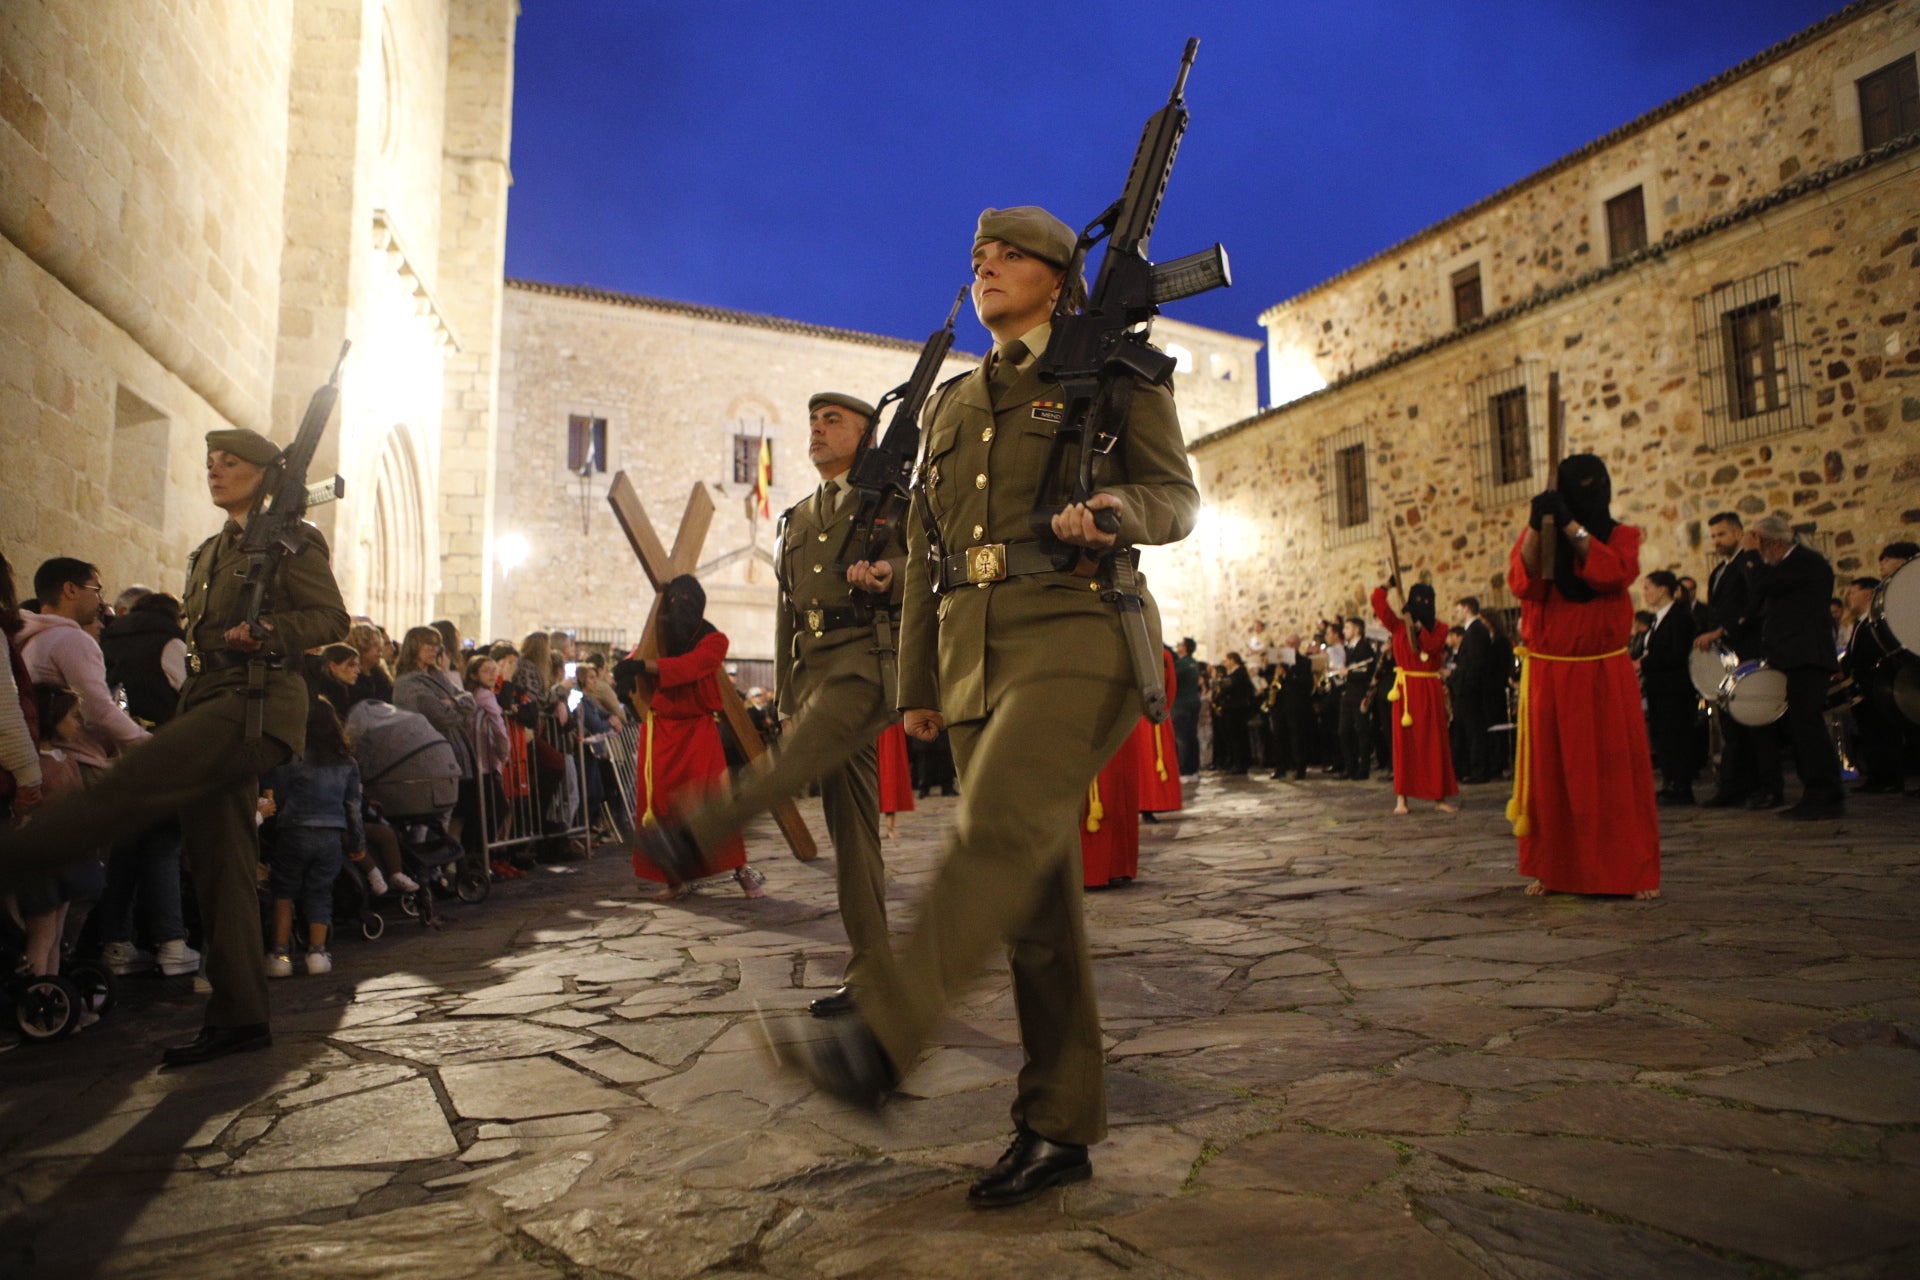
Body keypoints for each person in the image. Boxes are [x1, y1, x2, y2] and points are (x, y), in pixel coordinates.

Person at [754, 205, 1198, 1207]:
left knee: (993, 826)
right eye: (977, 257)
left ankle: (881, 1042)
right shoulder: (955, 406)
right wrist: (915, 687)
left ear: (1057, 275)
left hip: (1080, 629)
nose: (985, 266)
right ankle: (1057, 1123)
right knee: (1032, 903)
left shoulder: (1116, 372)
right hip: (972, 659)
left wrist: (1117, 508)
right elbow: (927, 558)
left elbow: (1175, 496)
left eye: (1008, 255)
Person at [0, 427, 350, 1063]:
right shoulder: (207, 554)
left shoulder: (295, 539)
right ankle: (239, 1015)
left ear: (266, 472)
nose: (215, 471)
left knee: (135, 783)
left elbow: (331, 620)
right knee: (221, 867)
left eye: (232, 462)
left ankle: (12, 861)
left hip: (257, 702)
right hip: (209, 697)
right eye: (210, 462)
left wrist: (268, 630)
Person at [635, 390, 908, 989]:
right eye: (812, 421)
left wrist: (893, 575)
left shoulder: (891, 505)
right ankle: (873, 973)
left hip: (866, 669)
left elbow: (929, 569)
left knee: (791, 765)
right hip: (816, 677)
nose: (816, 429)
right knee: (852, 832)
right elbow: (789, 616)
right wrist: (787, 698)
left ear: (865, 436)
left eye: (832, 421)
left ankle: (698, 832)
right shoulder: (801, 517)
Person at [1506, 454, 1660, 899]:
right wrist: (1539, 523)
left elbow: (1613, 572)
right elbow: (1523, 580)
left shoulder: (1622, 536)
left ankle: (1630, 870)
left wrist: (1573, 525)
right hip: (1550, 675)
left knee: (1613, 772)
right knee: (1552, 777)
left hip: (1602, 674)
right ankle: (1555, 869)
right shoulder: (1543, 536)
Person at [625, 574, 759, 900]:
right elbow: (636, 661)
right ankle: (674, 879)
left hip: (698, 732)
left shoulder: (715, 640)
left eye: (686, 600)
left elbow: (691, 665)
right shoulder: (660, 637)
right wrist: (631, 665)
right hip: (663, 731)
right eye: (674, 600)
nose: (679, 606)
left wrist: (647, 665)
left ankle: (741, 870)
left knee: (712, 802)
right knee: (662, 806)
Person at [1739, 516, 1845, 820]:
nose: (1757, 552)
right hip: (1792, 656)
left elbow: (1760, 588)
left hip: (1806, 656)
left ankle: (1823, 793)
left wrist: (1748, 555)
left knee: (1806, 725)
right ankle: (1820, 791)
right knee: (1800, 725)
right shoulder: (1790, 565)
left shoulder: (1805, 562)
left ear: (1769, 540)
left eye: (1756, 542)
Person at [259, 698, 362, 977]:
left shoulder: (291, 758)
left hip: (293, 831)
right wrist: (357, 843)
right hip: (331, 834)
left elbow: (275, 794)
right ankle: (316, 954)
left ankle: (279, 956)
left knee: (284, 892)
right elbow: (353, 807)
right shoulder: (347, 762)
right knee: (320, 892)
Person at [19, 558, 151, 759]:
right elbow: (98, 712)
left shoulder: (34, 636)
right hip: (76, 758)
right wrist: (148, 742)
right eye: (96, 590)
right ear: (70, 589)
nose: (100, 602)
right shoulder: (72, 639)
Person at [1695, 511, 1782, 808]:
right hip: (1726, 660)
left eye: (1721, 535)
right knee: (1732, 725)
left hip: (1749, 652)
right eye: (1713, 536)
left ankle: (1769, 786)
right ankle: (1737, 785)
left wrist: (1724, 630)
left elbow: (1755, 605)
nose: (1717, 541)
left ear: (1737, 533)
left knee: (1757, 724)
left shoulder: (1747, 567)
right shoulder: (1718, 572)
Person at [1370, 582, 1458, 814]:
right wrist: (1385, 586)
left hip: (1429, 688)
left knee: (1434, 742)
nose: (1423, 605)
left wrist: (1418, 629)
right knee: (1404, 744)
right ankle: (1402, 798)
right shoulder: (1398, 627)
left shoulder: (1440, 628)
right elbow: (1379, 606)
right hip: (1406, 691)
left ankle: (1438, 796)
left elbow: (1431, 645)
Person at [1638, 570, 1699, 804]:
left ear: (1663, 589)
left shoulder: (1678, 616)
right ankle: (1671, 781)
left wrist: (1643, 662)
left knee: (1676, 735)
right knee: (1663, 735)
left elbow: (1676, 653)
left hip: (1674, 688)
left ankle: (1681, 785)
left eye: (1647, 588)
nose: (1645, 593)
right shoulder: (1659, 618)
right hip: (1659, 688)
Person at [1452, 597, 1499, 783]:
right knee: (1467, 731)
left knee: (1475, 731)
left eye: (1458, 609)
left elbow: (1475, 663)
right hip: (1466, 690)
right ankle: (1469, 768)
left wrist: (1464, 685)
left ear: (1468, 609)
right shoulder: (1471, 631)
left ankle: (1479, 771)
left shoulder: (1477, 631)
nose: (1456, 613)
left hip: (1472, 692)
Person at [1337, 617, 1376, 780]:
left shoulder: (1365, 648)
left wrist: (1349, 673)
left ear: (1357, 630)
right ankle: (1350, 766)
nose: (1344, 631)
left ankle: (1363, 768)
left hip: (1360, 693)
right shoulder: (1347, 649)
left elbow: (1367, 671)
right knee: (1344, 731)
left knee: (1362, 731)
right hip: (1348, 694)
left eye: (1347, 628)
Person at [1213, 652, 1255, 774]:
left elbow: (1230, 687)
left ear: (1232, 660)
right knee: (1233, 737)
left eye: (1227, 659)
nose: (1225, 662)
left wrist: (1218, 695)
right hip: (1231, 708)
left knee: (1237, 737)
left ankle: (1240, 763)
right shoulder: (1233, 673)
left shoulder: (1239, 672)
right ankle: (1235, 761)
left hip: (1236, 709)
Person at [1170, 637, 1202, 778]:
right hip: (1193, 703)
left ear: (1185, 648)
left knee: (1181, 739)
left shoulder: (1182, 664)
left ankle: (1184, 770)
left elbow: (1171, 677)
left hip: (1181, 705)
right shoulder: (1193, 663)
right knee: (1192, 737)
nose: (1177, 646)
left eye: (1180, 644)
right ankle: (1193, 769)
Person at [878, 720, 914, 839]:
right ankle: (887, 827)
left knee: (890, 772)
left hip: (887, 723)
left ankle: (890, 827)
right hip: (872, 723)